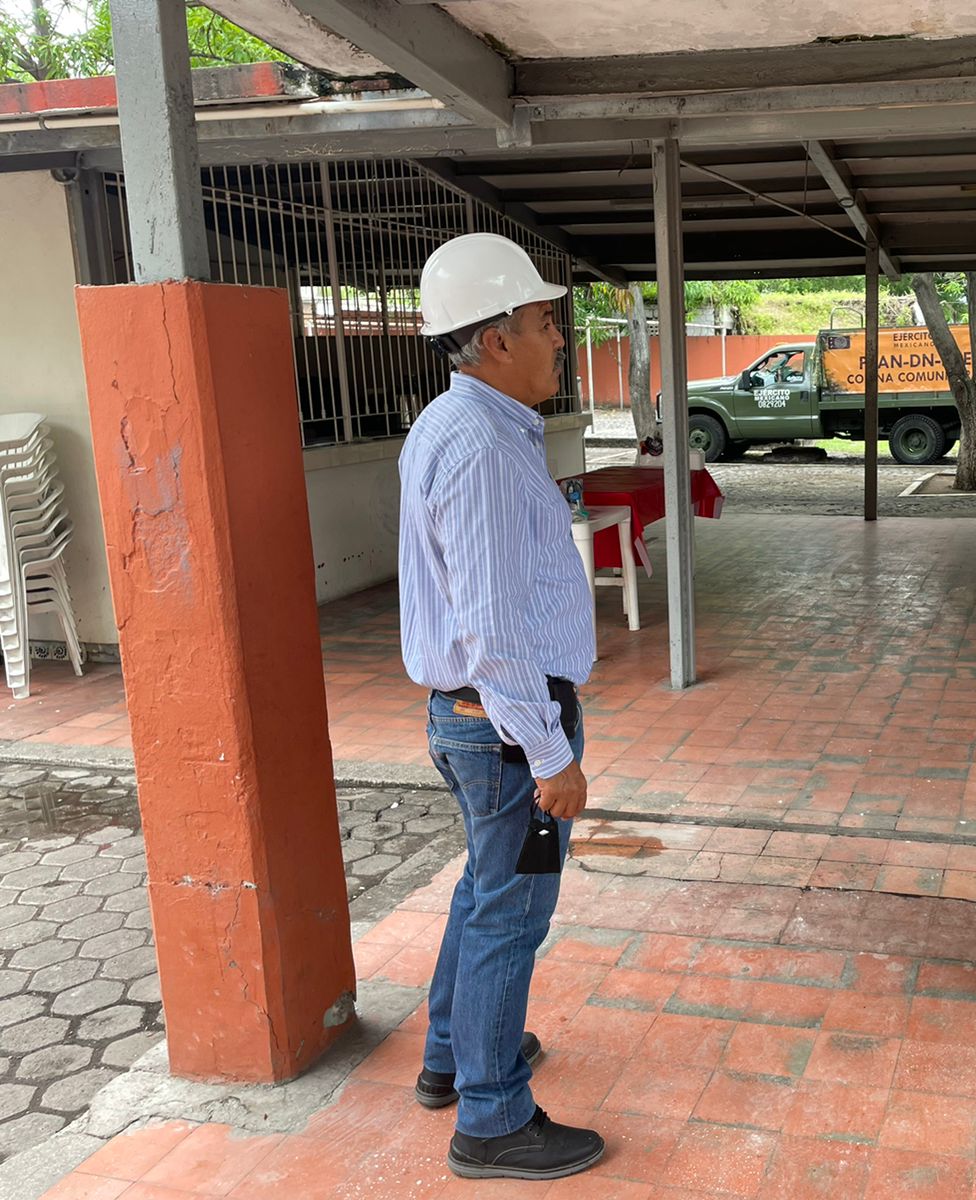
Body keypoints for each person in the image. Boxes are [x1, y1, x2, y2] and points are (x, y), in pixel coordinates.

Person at [399, 232, 604, 1180]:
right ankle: (491, 1117)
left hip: (479, 721)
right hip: (505, 728)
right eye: (542, 322)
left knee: (486, 892)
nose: (558, 338)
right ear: (493, 339)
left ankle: (455, 1054)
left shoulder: (461, 422)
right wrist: (549, 752)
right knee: (511, 914)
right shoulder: (481, 445)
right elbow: (492, 629)